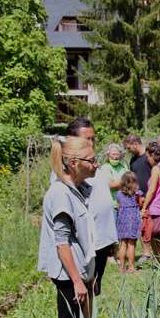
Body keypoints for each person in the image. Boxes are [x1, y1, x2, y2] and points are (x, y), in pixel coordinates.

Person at [38, 137, 98, 318]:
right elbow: (61, 243)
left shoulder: (75, 189)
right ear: (73, 163)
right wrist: (77, 280)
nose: (96, 164)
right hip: (66, 274)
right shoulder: (61, 194)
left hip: (76, 271)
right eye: (91, 160)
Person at [67, 118, 117, 295]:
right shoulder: (72, 169)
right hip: (87, 245)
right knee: (83, 294)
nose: (91, 143)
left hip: (102, 241)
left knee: (93, 292)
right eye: (86, 139)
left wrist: (111, 238)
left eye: (93, 138)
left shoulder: (95, 166)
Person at [124, 133, 153, 262]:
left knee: (155, 226)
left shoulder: (149, 156)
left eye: (129, 148)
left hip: (151, 197)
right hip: (138, 198)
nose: (128, 151)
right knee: (142, 226)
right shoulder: (133, 160)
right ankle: (147, 253)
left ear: (136, 144)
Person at [100, 143, 128, 265]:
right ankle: (110, 255)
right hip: (111, 202)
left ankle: (115, 254)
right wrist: (124, 182)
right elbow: (110, 185)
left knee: (121, 230)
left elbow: (130, 181)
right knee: (112, 230)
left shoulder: (123, 166)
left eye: (117, 154)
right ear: (108, 155)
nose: (116, 157)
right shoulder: (105, 168)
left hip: (124, 203)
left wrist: (121, 183)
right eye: (113, 154)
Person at [114, 171, 143, 273]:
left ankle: (122, 266)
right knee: (131, 244)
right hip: (133, 221)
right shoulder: (137, 194)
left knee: (123, 244)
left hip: (122, 220)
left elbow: (118, 207)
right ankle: (131, 267)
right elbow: (140, 205)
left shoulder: (118, 194)